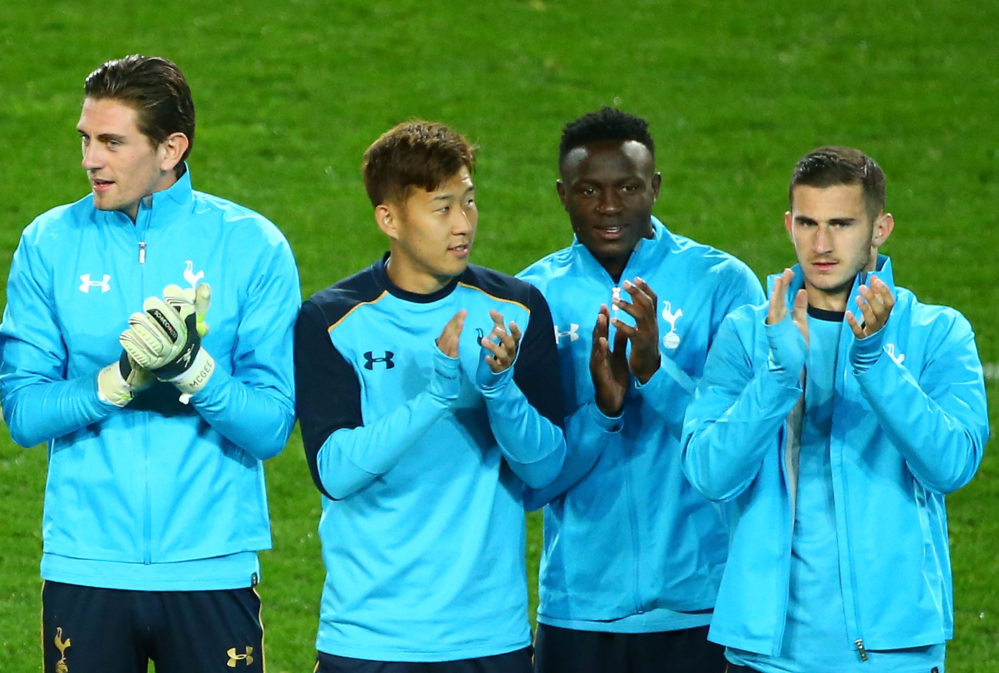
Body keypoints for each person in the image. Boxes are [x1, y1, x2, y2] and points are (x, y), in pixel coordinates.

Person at [0, 55, 300, 673]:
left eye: (112, 142)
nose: (89, 160)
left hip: (210, 566)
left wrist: (192, 369)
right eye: (85, 139)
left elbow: (272, 427)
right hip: (86, 565)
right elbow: (24, 414)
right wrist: (118, 381)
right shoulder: (48, 243)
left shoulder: (252, 245)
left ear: (171, 148)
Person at [681, 146, 989, 673]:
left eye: (842, 224)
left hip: (892, 658)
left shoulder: (937, 332)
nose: (821, 245)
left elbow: (952, 465)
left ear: (880, 228)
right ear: (789, 224)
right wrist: (777, 377)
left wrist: (873, 364)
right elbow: (709, 473)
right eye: (808, 223)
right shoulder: (749, 334)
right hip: (767, 659)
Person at [293, 120, 567, 672]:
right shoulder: (331, 320)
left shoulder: (516, 310)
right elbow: (336, 473)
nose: (463, 224)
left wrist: (498, 389)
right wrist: (436, 398)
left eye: (469, 203)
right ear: (389, 218)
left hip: (489, 639)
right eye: (442, 208)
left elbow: (545, 469)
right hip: (369, 640)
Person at [517, 107, 764, 673]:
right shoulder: (532, 298)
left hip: (704, 606)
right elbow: (529, 485)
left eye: (628, 187)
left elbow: (742, 450)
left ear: (655, 187)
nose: (609, 206)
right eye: (589, 190)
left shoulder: (723, 284)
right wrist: (603, 411)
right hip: (578, 611)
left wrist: (655, 373)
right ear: (561, 193)